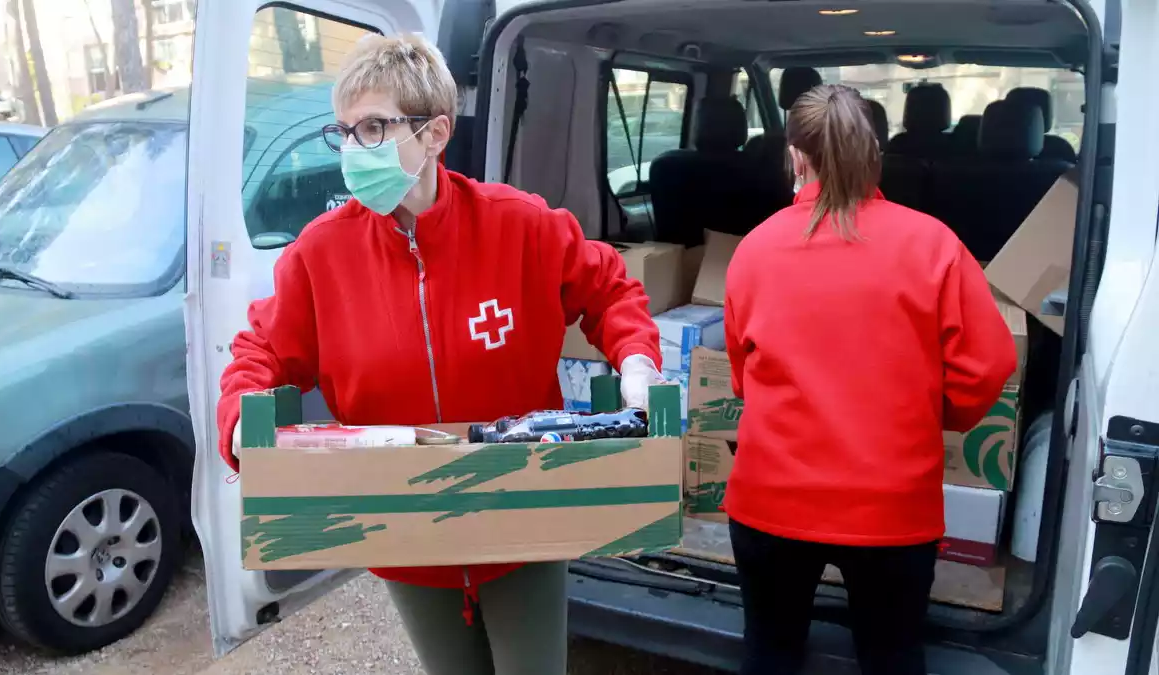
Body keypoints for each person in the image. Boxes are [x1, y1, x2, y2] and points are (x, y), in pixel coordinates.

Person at [215, 33, 664, 675]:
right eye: (343, 131)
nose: (353, 149)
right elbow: (259, 348)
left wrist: (638, 364)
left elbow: (611, 289)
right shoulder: (322, 253)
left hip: (521, 518)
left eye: (374, 127)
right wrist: (240, 414)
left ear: (434, 133)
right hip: (405, 530)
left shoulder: (519, 225)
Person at [722, 84, 1018, 675]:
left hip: (771, 502)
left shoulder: (753, 249)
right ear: (874, 152)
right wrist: (935, 416)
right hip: (892, 510)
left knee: (770, 655)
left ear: (796, 156)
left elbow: (741, 378)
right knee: (892, 659)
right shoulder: (933, 244)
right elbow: (987, 367)